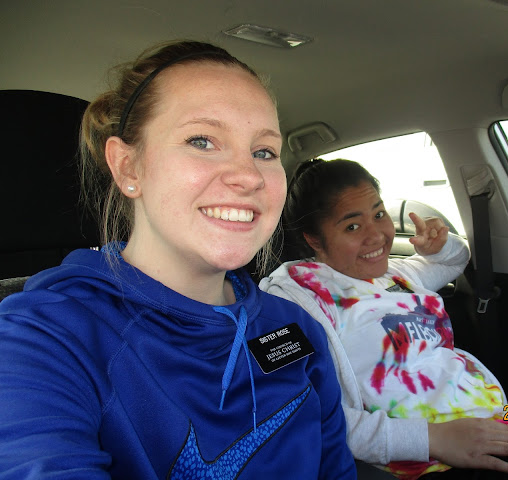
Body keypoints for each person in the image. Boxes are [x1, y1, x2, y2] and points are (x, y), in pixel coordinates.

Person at [0, 41, 356, 479]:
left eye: (263, 151)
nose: (248, 176)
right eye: (202, 141)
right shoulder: (42, 340)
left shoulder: (298, 329)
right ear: (128, 167)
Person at [260, 158, 508, 480]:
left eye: (379, 214)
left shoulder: (393, 274)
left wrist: (440, 245)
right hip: (448, 459)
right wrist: (433, 439)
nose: (378, 235)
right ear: (313, 239)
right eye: (353, 226)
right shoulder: (293, 304)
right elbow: (308, 418)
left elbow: (454, 260)